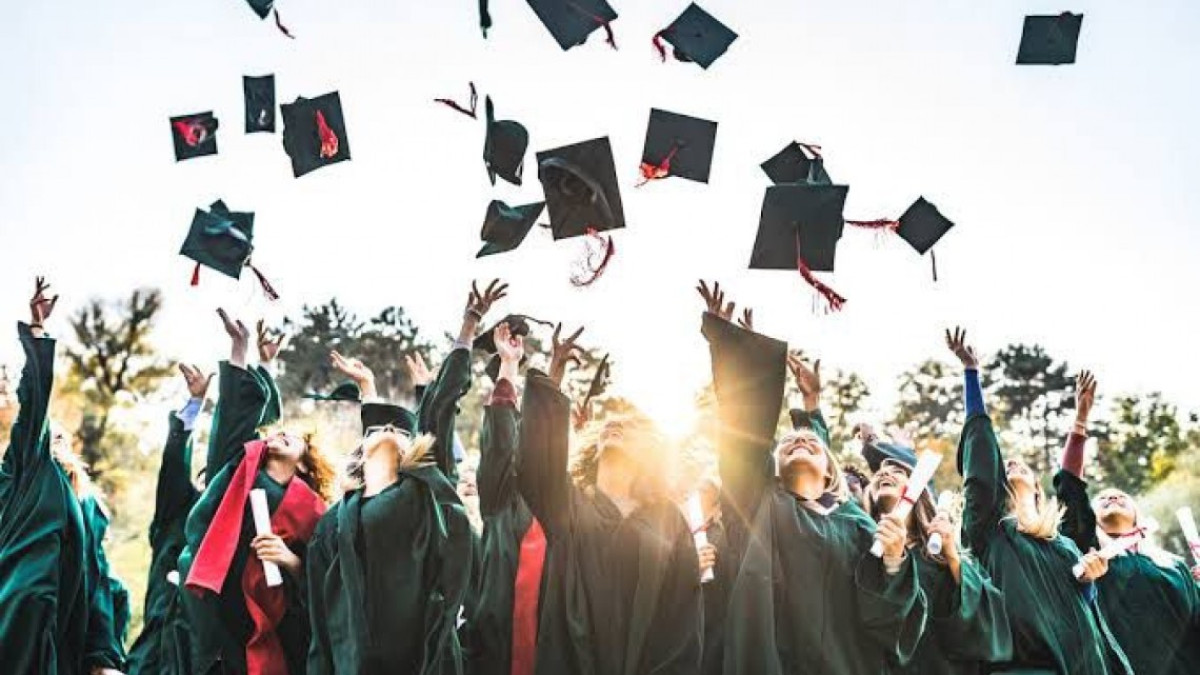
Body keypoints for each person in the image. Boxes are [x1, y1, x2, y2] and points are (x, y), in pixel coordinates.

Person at [699, 280, 927, 675]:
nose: (798, 442)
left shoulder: (858, 525)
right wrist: (732, 351)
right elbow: (742, 437)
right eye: (787, 442)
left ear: (830, 470)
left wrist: (893, 561)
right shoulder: (759, 504)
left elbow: (887, 623)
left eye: (810, 444)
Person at [305, 280, 503, 675]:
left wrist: (468, 327)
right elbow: (320, 622)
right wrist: (368, 391)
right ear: (360, 451)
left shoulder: (423, 495)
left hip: (424, 661)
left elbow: (439, 410)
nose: (391, 432)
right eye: (381, 429)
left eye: (401, 432)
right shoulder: (333, 524)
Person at [516, 321, 703, 674]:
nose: (614, 425)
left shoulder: (668, 519)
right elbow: (537, 462)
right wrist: (554, 376)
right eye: (610, 424)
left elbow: (683, 616)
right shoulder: (567, 503)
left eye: (630, 427)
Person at [947, 327, 1132, 674]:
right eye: (1006, 465)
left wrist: (1090, 579)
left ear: (1037, 487)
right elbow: (982, 459)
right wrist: (971, 373)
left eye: (1024, 465)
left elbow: (1083, 608)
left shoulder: (1064, 545)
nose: (1012, 463)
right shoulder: (988, 530)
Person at [177, 311, 333, 675]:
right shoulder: (239, 473)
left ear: (306, 466)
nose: (279, 434)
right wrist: (241, 349)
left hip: (272, 630)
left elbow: (327, 580)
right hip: (216, 613)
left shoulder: (313, 512)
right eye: (278, 433)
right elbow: (237, 417)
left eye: (292, 438)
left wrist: (290, 561)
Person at [0, 277, 124, 675]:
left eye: (60, 437)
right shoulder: (21, 469)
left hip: (57, 633)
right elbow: (32, 408)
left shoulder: (84, 505)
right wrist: (37, 334)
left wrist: (101, 658)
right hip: (13, 622)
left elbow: (98, 581)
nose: (53, 439)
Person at [1054, 371, 1200, 675]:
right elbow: (1069, 487)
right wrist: (1080, 420)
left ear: (1137, 515)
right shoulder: (1088, 553)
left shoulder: (1174, 567)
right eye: (1103, 497)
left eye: (1121, 496)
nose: (1112, 496)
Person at [854, 424, 1013, 674]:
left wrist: (952, 556)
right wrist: (893, 560)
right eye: (878, 473)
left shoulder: (941, 551)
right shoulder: (863, 552)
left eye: (897, 470)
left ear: (917, 490)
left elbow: (988, 624)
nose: (884, 474)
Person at [461, 320, 550, 675]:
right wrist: (509, 366)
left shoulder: (565, 509)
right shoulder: (502, 502)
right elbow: (500, 444)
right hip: (498, 652)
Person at [127, 364, 212, 675]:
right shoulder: (178, 510)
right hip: (155, 650)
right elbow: (175, 465)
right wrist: (195, 405)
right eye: (205, 478)